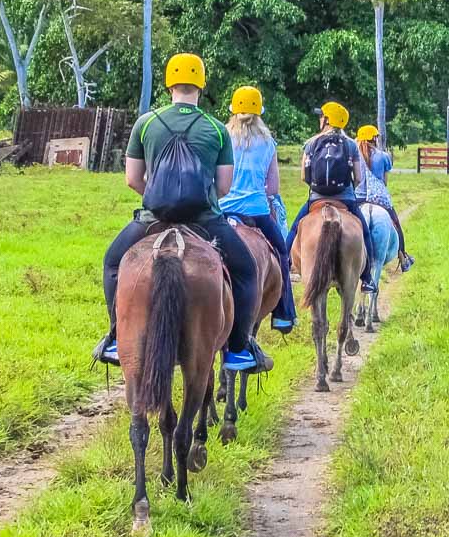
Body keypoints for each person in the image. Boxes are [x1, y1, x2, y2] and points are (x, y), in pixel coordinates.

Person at [95, 53, 266, 373]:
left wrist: (157, 199)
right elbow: (224, 186)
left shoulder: (145, 123)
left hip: (153, 219)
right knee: (246, 272)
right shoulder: (217, 129)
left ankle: (117, 337)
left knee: (113, 263)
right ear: (201, 85)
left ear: (169, 83)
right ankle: (239, 349)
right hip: (205, 220)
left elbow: (132, 178)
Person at [220, 86, 296, 333]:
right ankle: (284, 313)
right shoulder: (268, 143)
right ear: (259, 113)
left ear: (233, 111)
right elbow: (273, 187)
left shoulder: (221, 136)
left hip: (221, 211)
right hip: (256, 213)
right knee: (282, 253)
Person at [285, 101, 374, 287]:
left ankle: (285, 264)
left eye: (321, 116)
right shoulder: (351, 145)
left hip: (317, 198)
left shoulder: (311, 143)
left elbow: (303, 176)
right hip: (346, 199)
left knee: (294, 229)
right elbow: (358, 177)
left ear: (327, 120)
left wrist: (317, 188)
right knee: (365, 233)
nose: (319, 118)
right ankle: (367, 278)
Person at [356, 124, 415, 273]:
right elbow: (385, 182)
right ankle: (403, 258)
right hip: (379, 199)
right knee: (396, 224)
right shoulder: (383, 156)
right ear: (374, 138)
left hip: (358, 198)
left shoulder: (354, 155)